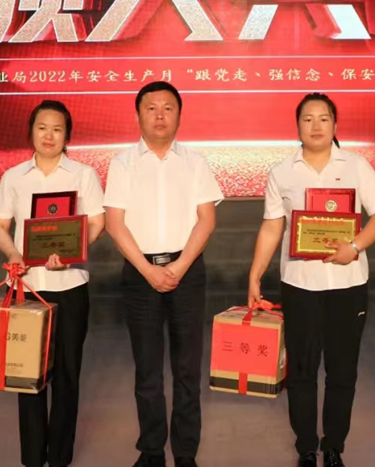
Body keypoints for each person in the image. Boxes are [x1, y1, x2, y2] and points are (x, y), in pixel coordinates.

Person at [248, 93, 375, 467]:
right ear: (297, 125)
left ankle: (334, 447)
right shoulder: (282, 172)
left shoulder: (357, 166)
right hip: (300, 284)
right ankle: (307, 448)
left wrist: (355, 247)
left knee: (342, 371)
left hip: (348, 284)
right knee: (301, 371)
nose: (316, 126)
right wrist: (255, 274)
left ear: (335, 125)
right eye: (308, 119)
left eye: (324, 118)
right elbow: (272, 226)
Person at [104, 81, 223, 467]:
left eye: (168, 108)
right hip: (140, 273)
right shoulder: (122, 162)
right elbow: (115, 223)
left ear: (179, 115)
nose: (159, 115)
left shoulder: (195, 162)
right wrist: (148, 271)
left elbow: (206, 220)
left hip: (187, 271)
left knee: (187, 368)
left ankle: (185, 453)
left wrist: (178, 267)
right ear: (138, 115)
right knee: (148, 368)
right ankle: (152, 451)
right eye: (151, 108)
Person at [0, 100, 106, 467]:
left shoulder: (83, 175)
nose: (49, 135)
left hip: (70, 286)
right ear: (31, 132)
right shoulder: (14, 177)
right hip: (25, 288)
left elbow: (97, 222)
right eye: (42, 127)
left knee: (67, 376)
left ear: (67, 135)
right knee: (27, 376)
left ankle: (59, 458)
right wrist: (14, 253)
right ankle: (32, 458)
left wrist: (73, 252)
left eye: (57, 129)